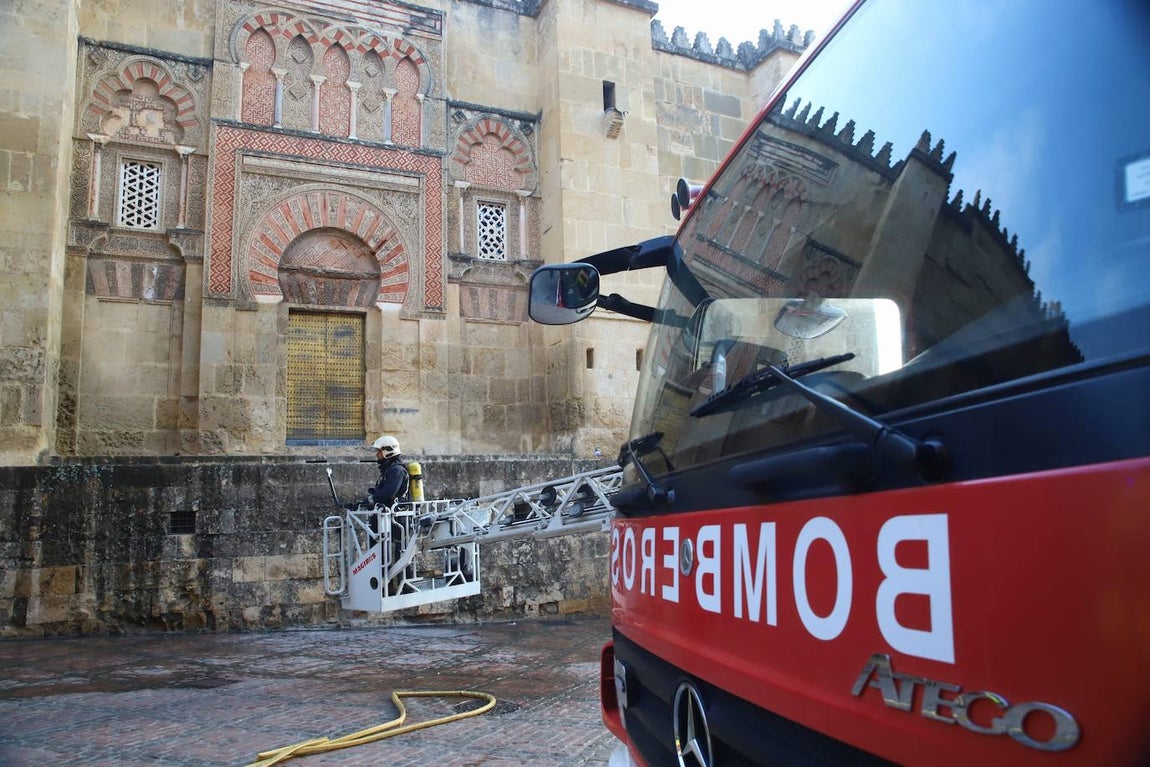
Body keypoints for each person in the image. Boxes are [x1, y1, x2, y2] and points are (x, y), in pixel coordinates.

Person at [368, 435, 410, 508]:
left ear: (388, 451)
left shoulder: (397, 470)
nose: (377, 454)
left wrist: (369, 500)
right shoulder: (389, 470)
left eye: (379, 451)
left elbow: (388, 494)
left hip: (396, 516)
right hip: (385, 513)